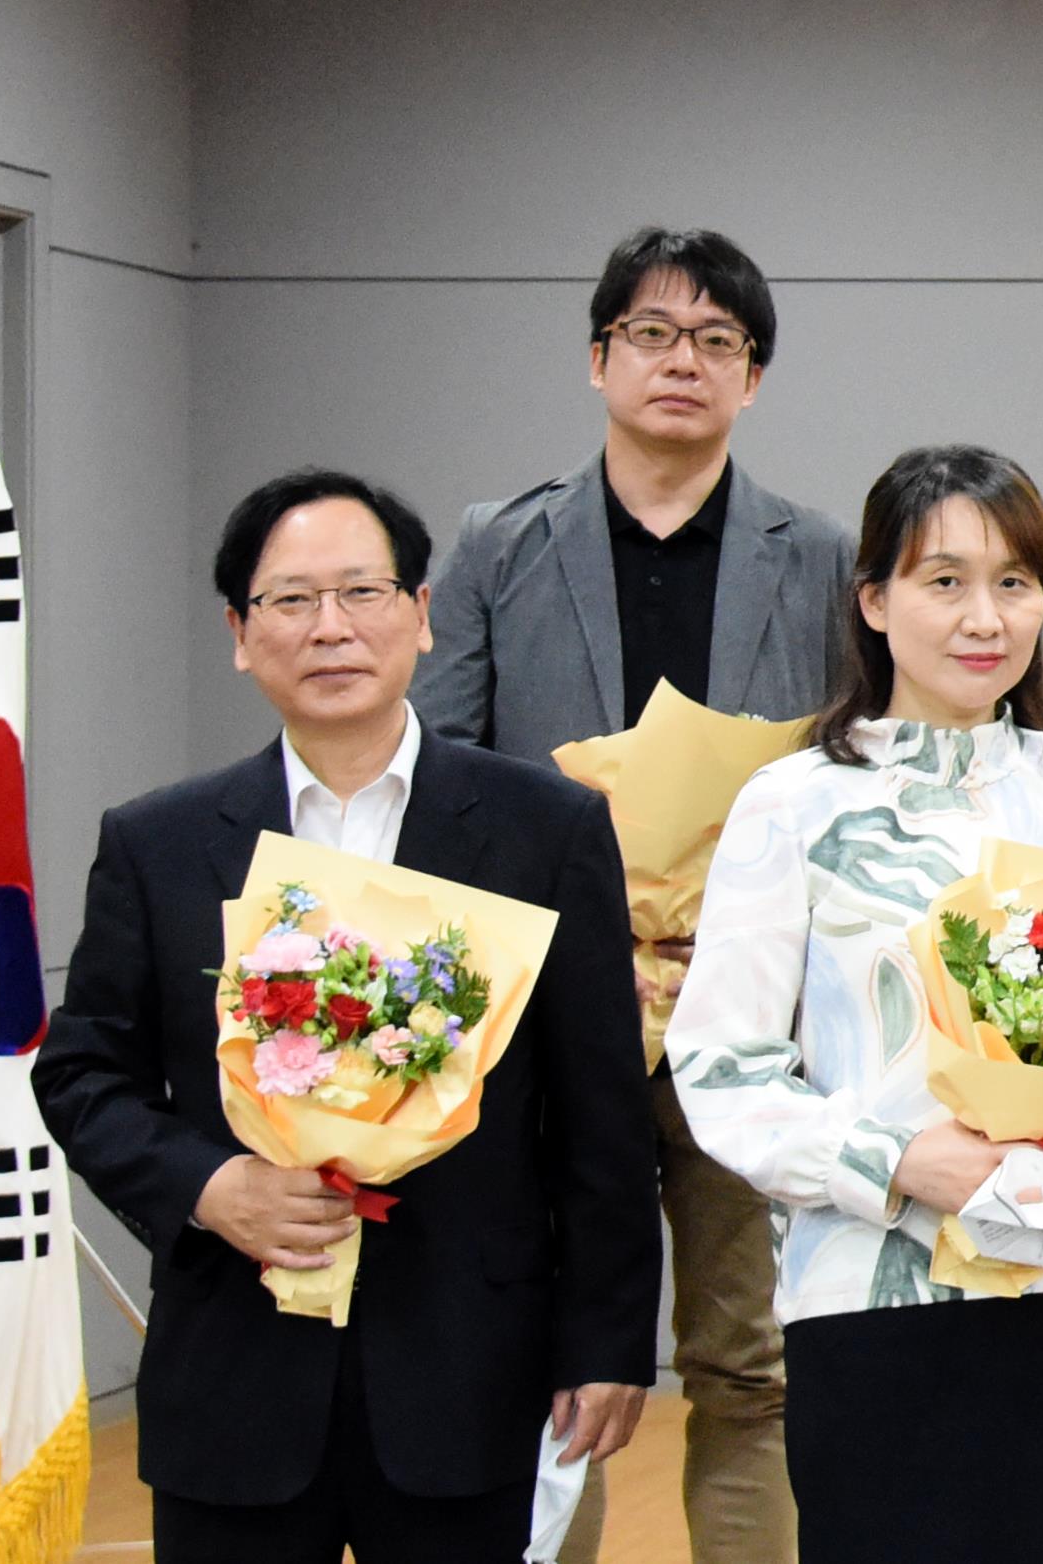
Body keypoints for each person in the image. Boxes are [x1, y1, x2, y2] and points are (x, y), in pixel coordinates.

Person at [39, 470, 663, 1564]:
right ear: (240, 635)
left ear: (421, 613)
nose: (329, 626)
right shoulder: (158, 841)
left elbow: (600, 1108)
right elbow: (84, 1074)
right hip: (235, 1372)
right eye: (289, 599)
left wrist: (609, 1337)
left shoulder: (545, 827)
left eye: (362, 591)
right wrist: (210, 1186)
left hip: (466, 1363)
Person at [673, 446, 1043, 1564]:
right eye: (945, 580)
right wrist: (896, 1158)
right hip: (875, 1292)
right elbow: (723, 1066)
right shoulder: (794, 800)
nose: (986, 617)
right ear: (873, 600)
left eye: (1015, 581)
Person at [413, 225, 855, 1564]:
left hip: (745, 1008)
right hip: (548, 1009)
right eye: (652, 333)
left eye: (717, 340)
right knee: (557, 1352)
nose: (682, 360)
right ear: (598, 355)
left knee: (747, 1352)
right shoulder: (497, 543)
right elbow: (442, 771)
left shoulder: (819, 553)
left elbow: (851, 772)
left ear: (753, 377)